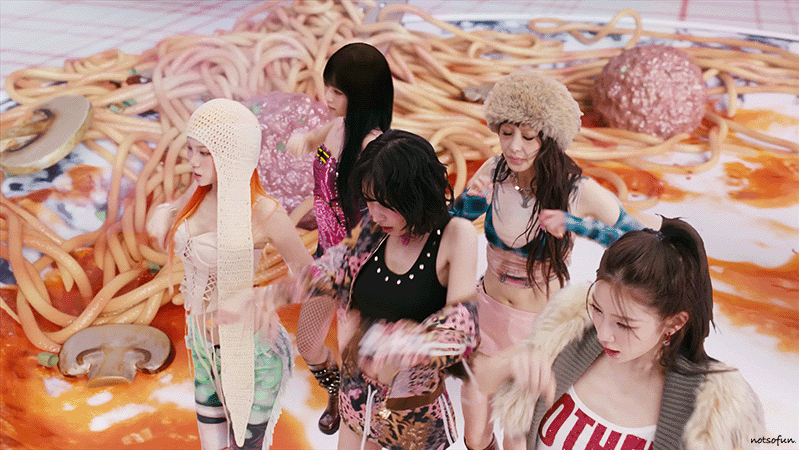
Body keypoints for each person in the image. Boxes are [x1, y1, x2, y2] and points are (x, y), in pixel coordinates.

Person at [451, 71, 654, 450]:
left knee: (516, 438)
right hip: (486, 312)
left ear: (550, 138)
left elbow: (641, 240)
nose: (515, 146)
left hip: (536, 327)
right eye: (506, 132)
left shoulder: (576, 190)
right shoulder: (494, 170)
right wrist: (470, 203)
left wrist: (575, 224)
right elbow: (451, 227)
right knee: (475, 437)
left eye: (529, 136)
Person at [480, 218, 764, 449]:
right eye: (597, 309)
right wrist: (513, 365)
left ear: (674, 322)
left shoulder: (711, 413)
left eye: (624, 325)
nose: (604, 334)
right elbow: (479, 380)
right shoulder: (568, 335)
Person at [294, 129, 480, 449]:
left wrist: (392, 341)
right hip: (356, 397)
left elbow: (460, 331)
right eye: (369, 201)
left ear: (415, 194)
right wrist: (267, 297)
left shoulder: (455, 235)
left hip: (411, 415)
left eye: (385, 203)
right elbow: (334, 268)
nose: (375, 213)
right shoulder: (375, 227)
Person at [146, 98, 313, 450]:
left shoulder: (265, 212)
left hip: (251, 355)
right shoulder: (196, 194)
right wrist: (163, 215)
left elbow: (314, 277)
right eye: (190, 149)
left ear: (232, 154)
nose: (192, 161)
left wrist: (263, 299)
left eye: (204, 153)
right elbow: (172, 216)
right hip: (202, 346)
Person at [286, 41, 394, 434]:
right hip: (326, 256)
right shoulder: (337, 126)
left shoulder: (374, 149)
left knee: (364, 358)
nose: (327, 98)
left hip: (363, 271)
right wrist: (303, 141)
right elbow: (316, 137)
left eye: (337, 91)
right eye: (327, 88)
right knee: (308, 343)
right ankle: (335, 391)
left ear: (362, 96)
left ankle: (371, 415)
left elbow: (385, 219)